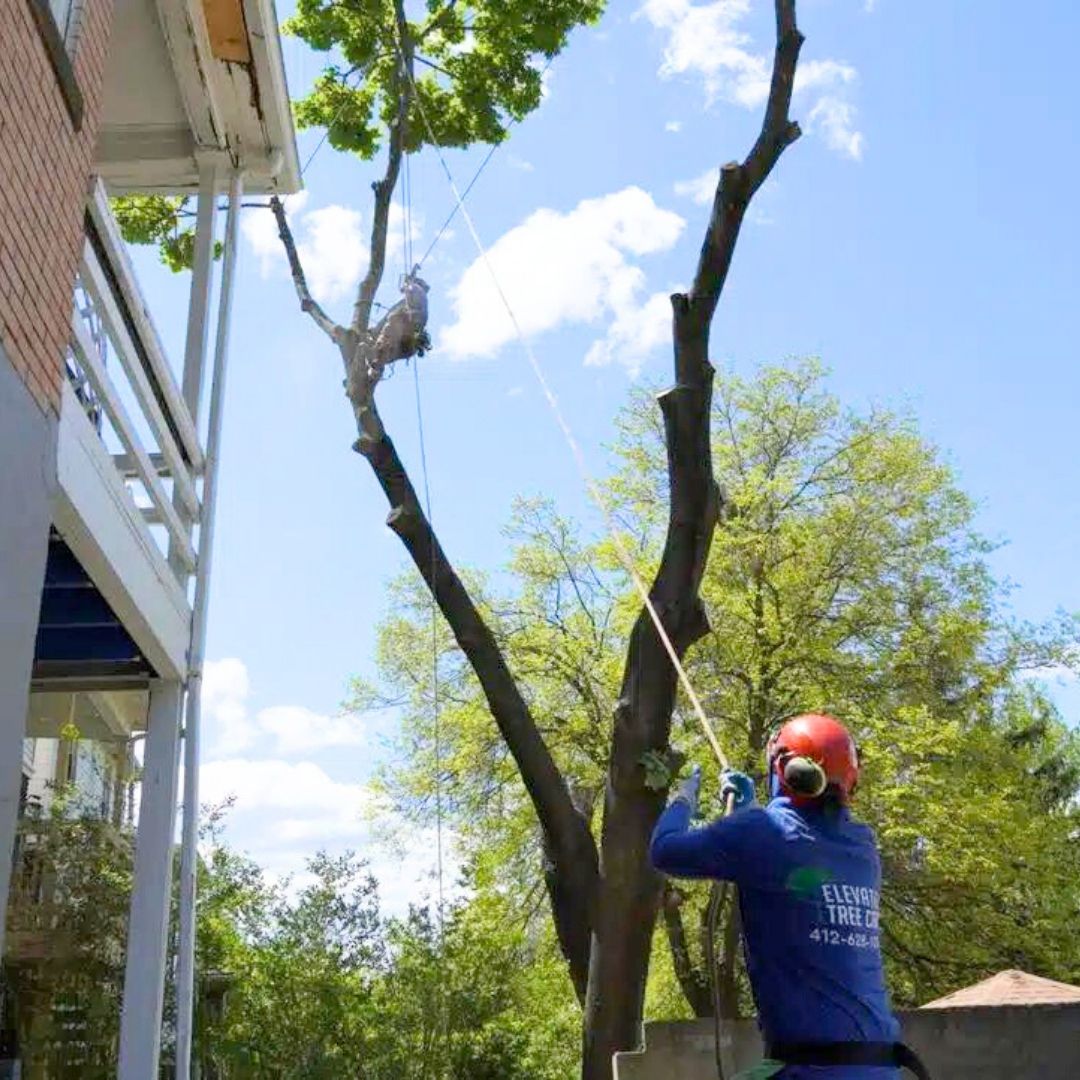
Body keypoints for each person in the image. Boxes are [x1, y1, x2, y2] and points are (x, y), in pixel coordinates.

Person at [650, 713, 930, 1079]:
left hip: (811, 1070)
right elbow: (792, 871)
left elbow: (664, 850)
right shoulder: (863, 846)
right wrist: (750, 815)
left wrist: (682, 799)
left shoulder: (761, 834)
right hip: (880, 1068)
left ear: (786, 771)